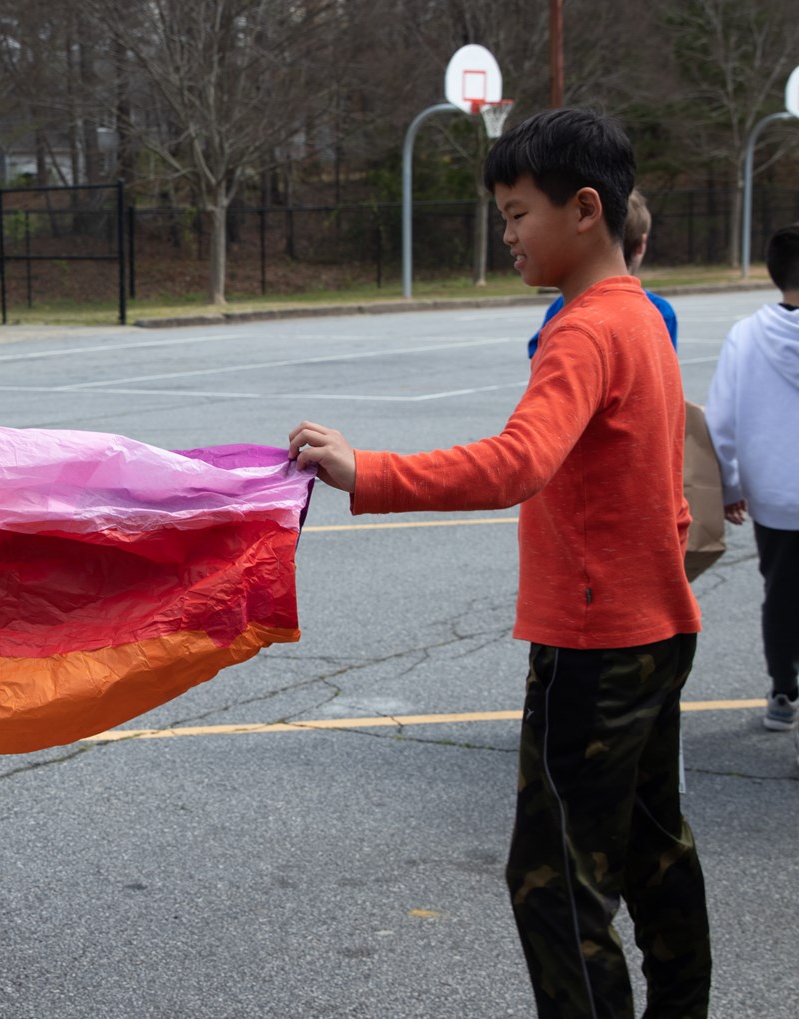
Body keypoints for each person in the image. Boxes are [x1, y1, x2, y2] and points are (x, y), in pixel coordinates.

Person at [288, 109, 710, 1018]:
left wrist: (371, 471)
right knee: (652, 849)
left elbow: (520, 460)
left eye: (519, 214)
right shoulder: (642, 317)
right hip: (654, 632)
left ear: (585, 209)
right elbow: (666, 491)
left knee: (553, 880)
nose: (506, 233)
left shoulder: (583, 330)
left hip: (595, 649)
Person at [705, 224, 799, 733]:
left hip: (776, 495)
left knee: (781, 596)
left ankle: (784, 690)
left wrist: (730, 486)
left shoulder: (747, 334)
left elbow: (721, 421)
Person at [527, 187, 677, 358]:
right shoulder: (659, 310)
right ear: (641, 244)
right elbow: (663, 374)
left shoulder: (564, 303)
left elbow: (538, 354)